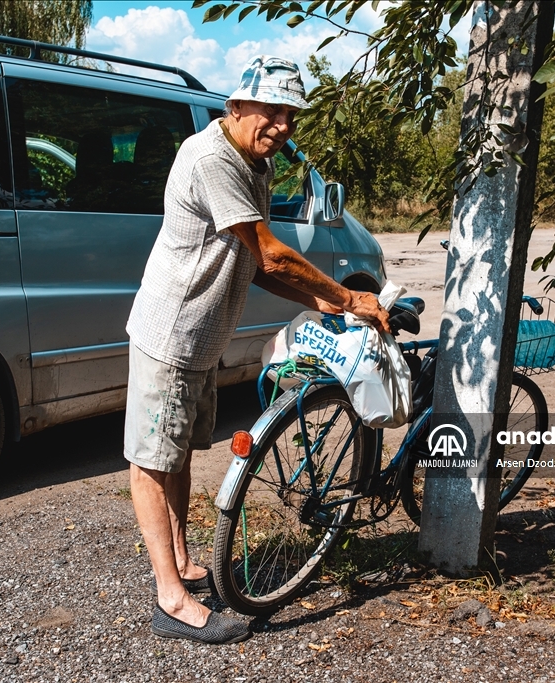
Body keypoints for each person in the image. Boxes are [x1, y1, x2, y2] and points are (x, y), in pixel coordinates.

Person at [123, 55, 390, 645]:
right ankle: (169, 600)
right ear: (236, 106)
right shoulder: (213, 158)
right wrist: (345, 296)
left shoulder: (254, 163)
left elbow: (250, 260)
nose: (282, 125)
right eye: (272, 110)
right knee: (150, 460)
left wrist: (314, 298)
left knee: (181, 453)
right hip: (171, 334)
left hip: (201, 337)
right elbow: (268, 250)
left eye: (290, 114)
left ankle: (184, 562)